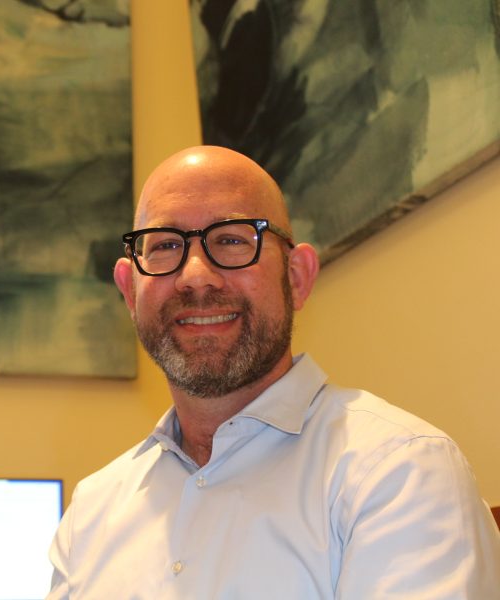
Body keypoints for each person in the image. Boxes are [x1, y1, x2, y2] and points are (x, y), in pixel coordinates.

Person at [47, 145, 500, 598]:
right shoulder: (91, 512)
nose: (197, 275)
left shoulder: (400, 473)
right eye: (166, 245)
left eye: (231, 239)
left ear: (297, 277)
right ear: (130, 292)